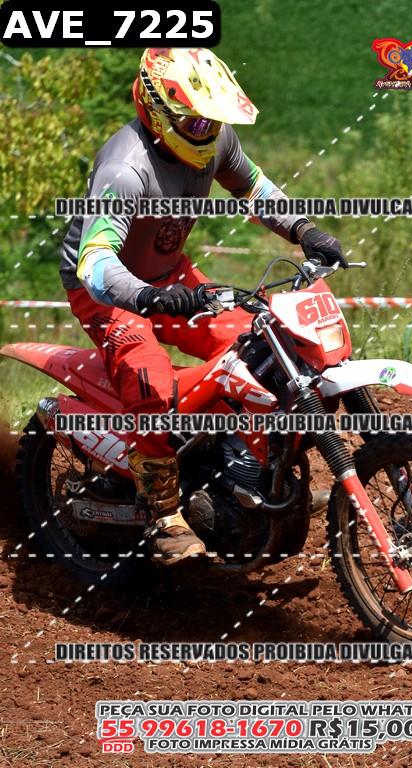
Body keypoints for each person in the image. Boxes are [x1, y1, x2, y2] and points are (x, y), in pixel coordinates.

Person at [59, 47, 346, 565]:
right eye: (194, 121)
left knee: (262, 343)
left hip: (169, 274)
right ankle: (162, 514)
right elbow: (95, 263)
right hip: (107, 290)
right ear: (157, 110)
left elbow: (254, 187)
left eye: (212, 120)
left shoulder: (216, 139)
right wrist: (148, 298)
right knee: (147, 377)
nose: (206, 130)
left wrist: (303, 230)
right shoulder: (125, 168)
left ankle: (254, 476)